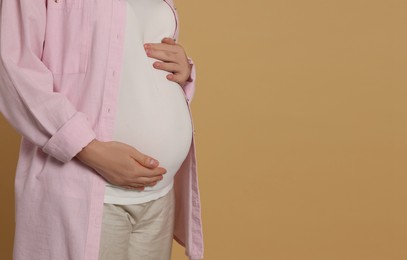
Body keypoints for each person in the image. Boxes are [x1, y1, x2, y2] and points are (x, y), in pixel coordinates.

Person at [0, 0, 203, 259]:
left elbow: (130, 57)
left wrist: (182, 69)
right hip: (88, 192)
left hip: (159, 197)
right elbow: (13, 66)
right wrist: (88, 149)